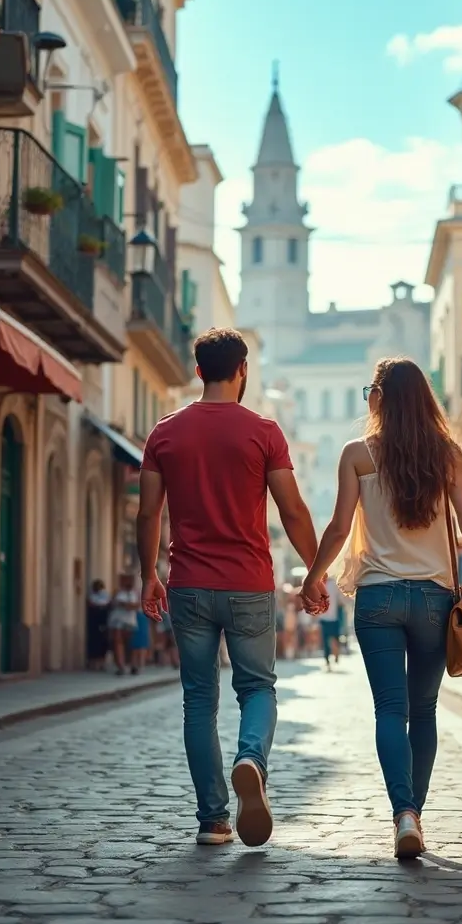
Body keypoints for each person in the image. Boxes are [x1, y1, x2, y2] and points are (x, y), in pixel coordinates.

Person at [300, 357, 462, 860]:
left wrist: (315, 575)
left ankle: (402, 813)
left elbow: (340, 528)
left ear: (381, 398)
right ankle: (416, 815)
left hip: (378, 597)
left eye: (372, 389)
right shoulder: (448, 454)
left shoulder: (356, 454)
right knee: (424, 710)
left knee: (389, 709)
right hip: (434, 599)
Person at [137, 328, 319, 848]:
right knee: (257, 688)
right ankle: (250, 759)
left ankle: (213, 820)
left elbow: (149, 511)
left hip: (189, 586)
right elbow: (292, 509)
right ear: (243, 370)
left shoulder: (165, 432)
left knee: (199, 701)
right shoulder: (264, 431)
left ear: (198, 371)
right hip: (249, 584)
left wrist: (150, 574)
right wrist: (313, 571)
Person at [108, 574, 139, 676]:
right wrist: (127, 605)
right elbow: (114, 602)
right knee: (118, 643)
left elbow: (136, 605)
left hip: (130, 621)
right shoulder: (118, 592)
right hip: (117, 621)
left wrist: (125, 605)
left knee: (130, 645)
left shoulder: (135, 593)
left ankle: (132, 665)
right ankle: (120, 666)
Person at [86, 579, 111, 670]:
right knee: (96, 643)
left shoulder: (104, 595)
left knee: (102, 643)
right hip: (96, 624)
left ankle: (100, 663)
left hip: (101, 622)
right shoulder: (93, 596)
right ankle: (96, 663)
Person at [320, 577, 342, 670]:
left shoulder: (322, 583)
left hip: (327, 616)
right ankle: (330, 658)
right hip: (329, 617)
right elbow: (341, 600)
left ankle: (329, 659)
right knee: (331, 639)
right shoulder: (333, 584)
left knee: (327, 639)